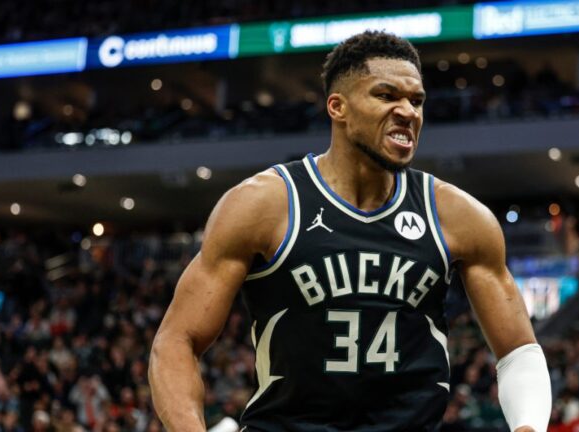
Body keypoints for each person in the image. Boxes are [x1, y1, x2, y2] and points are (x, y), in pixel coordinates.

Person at [149, 31, 551, 432]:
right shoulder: (263, 204)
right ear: (337, 106)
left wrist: (528, 427)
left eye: (416, 101)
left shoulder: (458, 215)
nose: (407, 111)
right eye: (386, 95)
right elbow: (177, 340)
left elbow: (518, 351)